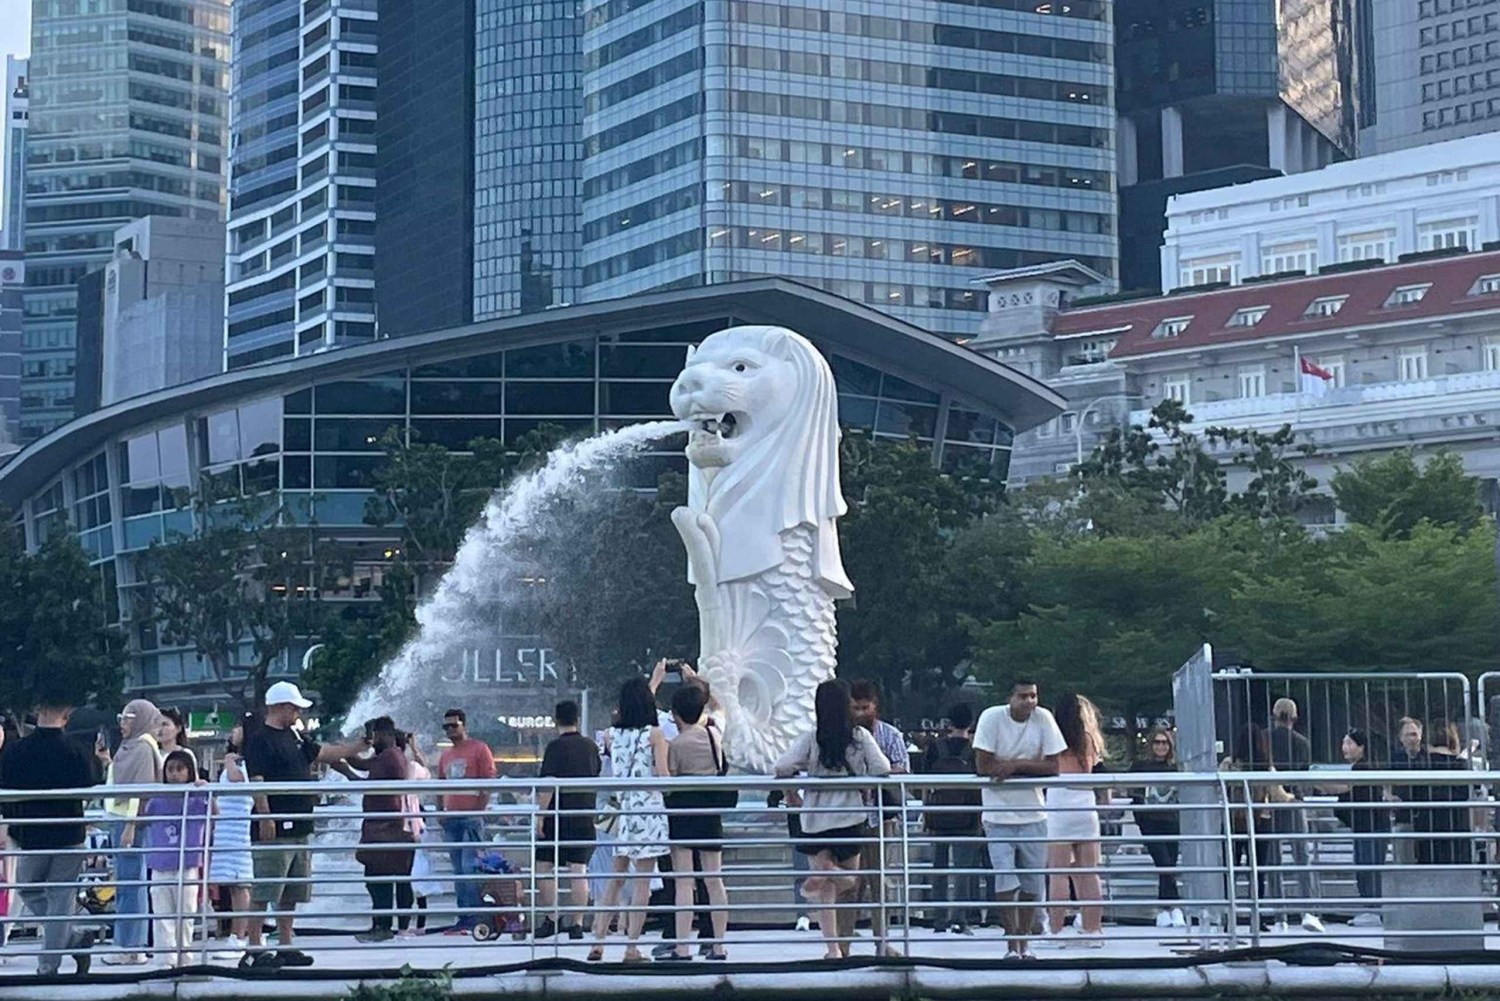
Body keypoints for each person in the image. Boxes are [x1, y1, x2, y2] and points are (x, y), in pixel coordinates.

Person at [241, 681, 367, 970]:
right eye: (295, 707)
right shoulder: (260, 740)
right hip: (276, 825)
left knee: (291, 892)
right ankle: (254, 948)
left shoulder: (296, 736)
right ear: (281, 707)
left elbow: (326, 753)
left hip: (299, 823)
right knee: (265, 889)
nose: (298, 712)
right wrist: (265, 816)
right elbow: (256, 780)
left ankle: (286, 944)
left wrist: (358, 747)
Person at [774, 679, 892, 960]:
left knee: (824, 895)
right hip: (850, 816)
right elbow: (882, 767)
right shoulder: (859, 737)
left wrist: (793, 788)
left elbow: (781, 766)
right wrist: (862, 780)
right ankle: (832, 870)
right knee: (850, 881)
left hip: (815, 819)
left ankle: (833, 949)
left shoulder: (811, 738)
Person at [0, 699, 100, 976]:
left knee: (29, 889)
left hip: (32, 834)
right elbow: (91, 784)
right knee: (61, 898)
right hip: (69, 833)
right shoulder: (77, 752)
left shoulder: (16, 751)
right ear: (67, 715)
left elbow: (5, 790)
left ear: (37, 711)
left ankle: (64, 949)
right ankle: (57, 955)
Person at [972, 680, 1066, 960]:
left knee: (1032, 885)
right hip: (997, 815)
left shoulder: (1044, 718)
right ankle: (1011, 943)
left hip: (1034, 813)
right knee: (1005, 880)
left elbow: (1053, 767)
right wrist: (1028, 768)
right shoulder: (991, 717)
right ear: (1009, 698)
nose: (1029, 702)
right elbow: (984, 766)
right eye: (1023, 696)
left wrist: (1015, 766)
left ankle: (1024, 941)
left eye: (1034, 696)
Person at [589, 677, 671, 962]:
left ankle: (598, 940)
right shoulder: (656, 735)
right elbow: (664, 777)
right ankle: (631, 946)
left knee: (615, 878)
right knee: (643, 884)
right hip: (648, 811)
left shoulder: (611, 735)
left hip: (622, 810)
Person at [662, 685, 730, 961]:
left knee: (683, 882)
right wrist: (701, 683)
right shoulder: (714, 734)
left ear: (676, 714)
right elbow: (721, 709)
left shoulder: (676, 744)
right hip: (710, 810)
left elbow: (670, 779)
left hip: (682, 811)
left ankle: (682, 947)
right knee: (714, 879)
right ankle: (718, 946)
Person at [848, 679, 909, 957]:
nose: (860, 713)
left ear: (875, 706)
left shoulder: (891, 735)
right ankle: (842, 945)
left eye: (865, 707)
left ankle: (882, 943)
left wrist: (875, 778)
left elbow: (902, 770)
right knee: (850, 886)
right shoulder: (843, 735)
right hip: (849, 818)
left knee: (879, 884)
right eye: (855, 708)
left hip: (881, 819)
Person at [535, 700, 601, 942]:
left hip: (557, 816)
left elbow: (547, 786)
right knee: (578, 871)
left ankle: (552, 918)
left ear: (555, 720)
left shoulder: (554, 748)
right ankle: (577, 924)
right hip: (584, 816)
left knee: (544, 867)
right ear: (578, 720)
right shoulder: (591, 747)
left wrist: (540, 817)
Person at [102, 698, 162, 966]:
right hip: (121, 819)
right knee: (127, 884)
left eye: (128, 717)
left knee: (130, 885)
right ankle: (128, 944)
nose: (123, 723)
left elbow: (142, 790)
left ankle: (130, 946)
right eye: (122, 717)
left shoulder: (142, 748)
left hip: (130, 824)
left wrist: (130, 826)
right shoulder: (131, 746)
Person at [1044, 693, 1107, 946]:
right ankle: (1093, 930)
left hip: (1060, 802)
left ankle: (1056, 930)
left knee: (1058, 873)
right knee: (1089, 872)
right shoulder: (1089, 739)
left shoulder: (1053, 738)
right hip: (1085, 802)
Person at [140, 749, 210, 967]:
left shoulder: (197, 797)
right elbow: (143, 818)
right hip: (160, 865)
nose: (174, 774)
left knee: (185, 916)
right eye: (170, 769)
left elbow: (213, 814)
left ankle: (185, 959)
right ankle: (165, 960)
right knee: (162, 916)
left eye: (180, 769)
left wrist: (204, 788)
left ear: (190, 772)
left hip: (187, 866)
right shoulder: (158, 798)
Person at [921, 703, 984, 935]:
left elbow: (925, 784)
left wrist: (926, 814)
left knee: (939, 866)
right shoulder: (975, 749)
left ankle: (939, 918)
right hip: (968, 816)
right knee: (963, 868)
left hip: (939, 815)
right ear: (971, 723)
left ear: (949, 722)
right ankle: (960, 918)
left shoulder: (936, 748)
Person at [355, 717, 416, 944]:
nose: (370, 742)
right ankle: (389, 926)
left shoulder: (389, 756)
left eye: (372, 736)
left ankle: (384, 926)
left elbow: (364, 767)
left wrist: (345, 758)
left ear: (382, 734)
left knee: (378, 880)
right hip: (386, 828)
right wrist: (341, 756)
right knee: (384, 880)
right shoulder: (390, 756)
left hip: (386, 828)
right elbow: (362, 766)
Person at [436, 708, 496, 933]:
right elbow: (439, 786)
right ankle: (465, 916)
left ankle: (473, 916)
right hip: (452, 818)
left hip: (471, 818)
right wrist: (441, 811)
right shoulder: (446, 756)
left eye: (454, 725)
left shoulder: (480, 749)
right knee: (458, 870)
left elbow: (489, 782)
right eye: (446, 727)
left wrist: (479, 810)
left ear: (464, 725)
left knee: (468, 868)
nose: (450, 730)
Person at [1266, 698, 1323, 933]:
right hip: (1294, 798)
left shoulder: (1264, 738)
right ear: (1295, 717)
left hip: (1269, 800)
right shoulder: (1302, 743)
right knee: (1302, 856)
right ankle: (1308, 911)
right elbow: (1303, 773)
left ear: (1274, 715)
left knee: (1273, 859)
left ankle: (1280, 917)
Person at [208, 719, 256, 961]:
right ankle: (236, 934)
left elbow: (239, 781)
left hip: (239, 830)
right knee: (232, 884)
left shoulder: (246, 761)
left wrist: (228, 759)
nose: (233, 731)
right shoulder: (237, 761)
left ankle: (240, 935)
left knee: (241, 885)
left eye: (238, 728)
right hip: (227, 829)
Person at [1332, 728, 1388, 926]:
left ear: (1362, 747)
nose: (1344, 747)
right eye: (1344, 743)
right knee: (1365, 866)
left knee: (1368, 867)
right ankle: (1370, 908)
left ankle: (1373, 909)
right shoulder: (1365, 767)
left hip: (1371, 826)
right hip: (1369, 826)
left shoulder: (1362, 769)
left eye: (1350, 743)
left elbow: (1346, 789)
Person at [1130, 727, 1184, 930]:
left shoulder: (1176, 767)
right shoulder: (1140, 766)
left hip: (1172, 821)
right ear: (1151, 745)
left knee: (1169, 864)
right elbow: (1133, 793)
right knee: (1164, 863)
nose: (1161, 746)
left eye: (1165, 743)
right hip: (1150, 822)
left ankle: (1165, 909)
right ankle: (1175, 906)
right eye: (1157, 742)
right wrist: (1141, 820)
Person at [1415, 719, 1472, 867]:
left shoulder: (1422, 763)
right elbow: (1466, 793)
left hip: (1428, 823)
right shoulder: (1459, 765)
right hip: (1456, 823)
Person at [400, 732, 436, 937]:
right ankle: (418, 925)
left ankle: (408, 926)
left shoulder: (401, 767)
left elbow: (425, 772)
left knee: (412, 880)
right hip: (414, 828)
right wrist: (414, 748)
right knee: (418, 880)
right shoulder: (409, 767)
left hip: (407, 828)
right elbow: (427, 773)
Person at [1389, 717, 1426, 865]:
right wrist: (1389, 796)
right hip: (1403, 815)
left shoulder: (1428, 757)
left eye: (1414, 734)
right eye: (1407, 735)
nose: (1412, 738)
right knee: (1403, 859)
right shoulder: (1395, 758)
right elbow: (1385, 781)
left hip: (1425, 816)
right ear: (1400, 738)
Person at [157, 708, 198, 774]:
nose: (160, 729)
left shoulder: (186, 753)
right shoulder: (153, 753)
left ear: (178, 728)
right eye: (156, 725)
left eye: (165, 724)